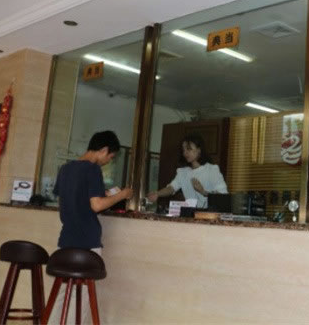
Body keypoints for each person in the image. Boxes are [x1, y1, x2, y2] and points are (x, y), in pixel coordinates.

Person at [50, 130, 133, 323]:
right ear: (103, 150)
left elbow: (68, 201)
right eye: (110, 157)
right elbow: (96, 205)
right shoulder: (92, 169)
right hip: (87, 241)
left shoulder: (65, 169)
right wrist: (122, 195)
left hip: (66, 240)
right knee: (82, 296)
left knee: (62, 293)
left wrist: (104, 194)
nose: (109, 161)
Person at [147, 133, 227, 209]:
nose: (185, 153)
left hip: (210, 215)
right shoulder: (182, 172)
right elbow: (171, 188)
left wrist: (203, 192)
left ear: (199, 150)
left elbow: (223, 197)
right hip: (189, 215)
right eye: (183, 150)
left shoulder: (212, 170)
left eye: (189, 149)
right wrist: (157, 193)